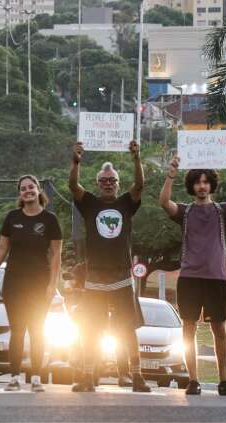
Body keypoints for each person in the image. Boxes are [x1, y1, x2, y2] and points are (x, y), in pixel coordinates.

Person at [159, 154, 226, 396]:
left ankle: (224, 380)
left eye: (206, 182)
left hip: (217, 277)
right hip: (189, 278)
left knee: (219, 329)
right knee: (188, 329)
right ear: (192, 186)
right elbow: (164, 202)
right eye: (198, 182)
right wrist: (171, 174)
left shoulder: (222, 211)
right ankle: (193, 380)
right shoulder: (185, 212)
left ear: (211, 185)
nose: (202, 186)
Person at [69, 140, 151, 393]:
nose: (108, 183)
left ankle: (135, 376)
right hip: (94, 277)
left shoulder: (126, 203)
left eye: (112, 180)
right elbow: (73, 186)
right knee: (91, 329)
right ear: (98, 183)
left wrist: (137, 158)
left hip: (121, 277)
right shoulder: (90, 204)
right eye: (103, 180)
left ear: (117, 183)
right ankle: (87, 376)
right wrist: (76, 162)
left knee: (127, 328)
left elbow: (139, 185)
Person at [0, 175, 62, 392]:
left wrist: (52, 284)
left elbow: (56, 255)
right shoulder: (12, 217)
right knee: (17, 331)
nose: (27, 191)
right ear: (20, 194)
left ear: (38, 190)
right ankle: (14, 377)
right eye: (23, 188)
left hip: (40, 283)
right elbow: (2, 248)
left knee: (37, 330)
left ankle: (36, 378)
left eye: (31, 187)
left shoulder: (50, 219)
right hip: (14, 283)